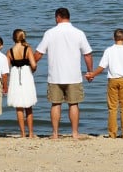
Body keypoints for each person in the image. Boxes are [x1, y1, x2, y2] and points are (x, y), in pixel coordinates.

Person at [35, 7, 93, 139]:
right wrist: (90, 71)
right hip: (73, 76)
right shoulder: (79, 33)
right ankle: (74, 133)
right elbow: (88, 54)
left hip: (55, 75)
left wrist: (32, 65)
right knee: (74, 104)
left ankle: (55, 134)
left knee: (55, 104)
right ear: (68, 17)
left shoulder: (50, 33)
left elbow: (39, 53)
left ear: (57, 17)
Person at [6, 29, 38, 138]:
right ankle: (31, 133)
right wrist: (33, 70)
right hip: (26, 75)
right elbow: (33, 65)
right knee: (28, 105)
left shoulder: (9, 51)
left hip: (15, 76)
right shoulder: (27, 49)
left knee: (19, 106)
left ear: (13, 38)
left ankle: (23, 133)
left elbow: (6, 69)